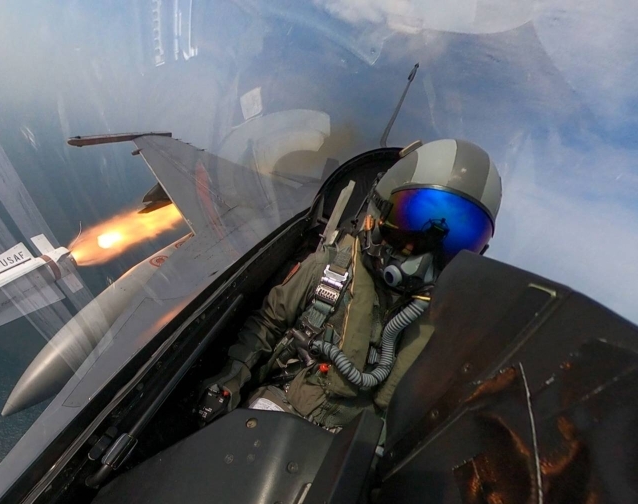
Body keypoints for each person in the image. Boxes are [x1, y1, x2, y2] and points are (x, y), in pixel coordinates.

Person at [198, 139, 502, 430]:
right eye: (411, 224)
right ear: (377, 212)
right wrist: (228, 381)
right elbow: (267, 324)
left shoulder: (437, 327)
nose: (421, 259)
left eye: (455, 244)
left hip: (343, 448)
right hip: (276, 411)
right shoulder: (326, 269)